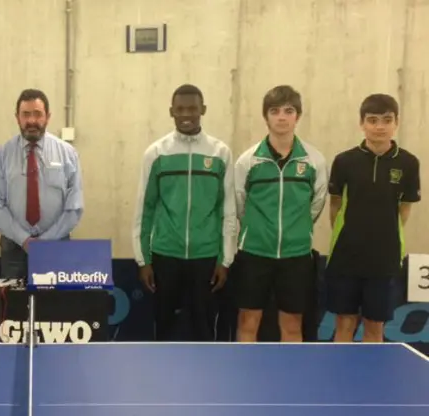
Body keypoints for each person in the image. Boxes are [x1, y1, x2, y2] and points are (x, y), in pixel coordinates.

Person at [132, 84, 237, 342]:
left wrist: (225, 260)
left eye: (192, 108)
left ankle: (207, 379)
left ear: (203, 110)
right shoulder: (156, 154)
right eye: (180, 109)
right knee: (165, 327)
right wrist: (143, 260)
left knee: (205, 329)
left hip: (207, 258)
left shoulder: (220, 153)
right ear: (171, 112)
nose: (186, 114)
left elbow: (229, 211)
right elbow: (143, 210)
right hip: (165, 256)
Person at [233, 85, 328, 343]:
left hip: (296, 255)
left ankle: (292, 381)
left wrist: (297, 231)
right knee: (248, 321)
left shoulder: (314, 160)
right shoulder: (248, 160)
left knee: (292, 325)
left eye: (289, 111)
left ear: (298, 115)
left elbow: (316, 204)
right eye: (275, 111)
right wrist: (256, 230)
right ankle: (245, 377)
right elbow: (239, 204)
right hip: (254, 252)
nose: (282, 117)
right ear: (266, 117)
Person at [325, 94, 420, 343]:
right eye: (373, 120)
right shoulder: (344, 161)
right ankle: (339, 378)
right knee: (344, 323)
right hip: (346, 256)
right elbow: (335, 206)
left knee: (374, 327)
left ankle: (370, 380)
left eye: (387, 120)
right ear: (362, 123)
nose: (380, 126)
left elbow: (404, 209)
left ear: (396, 122)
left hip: (384, 259)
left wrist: (383, 234)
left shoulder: (409, 163)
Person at [0, 88, 84, 279]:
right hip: (14, 248)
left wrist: (45, 242)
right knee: (14, 306)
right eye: (26, 114)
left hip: (57, 247)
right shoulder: (2, 155)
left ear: (47, 117)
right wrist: (24, 239)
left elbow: (75, 206)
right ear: (17, 118)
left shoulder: (68, 154)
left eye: (37, 114)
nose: (31, 121)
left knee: (55, 306)